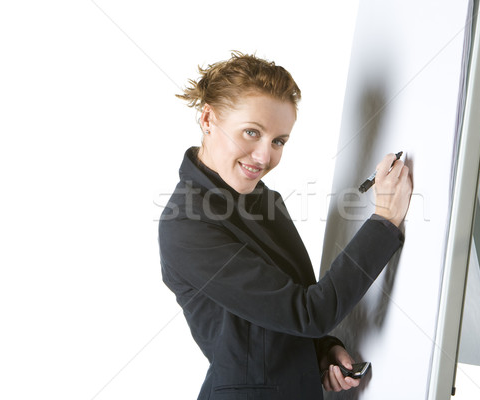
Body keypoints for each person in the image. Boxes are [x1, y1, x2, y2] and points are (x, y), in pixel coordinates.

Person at [159, 51, 412, 400]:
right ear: (207, 119)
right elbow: (307, 312)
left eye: (278, 141)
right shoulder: (186, 226)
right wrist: (384, 221)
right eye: (251, 132)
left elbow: (276, 312)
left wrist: (321, 352)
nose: (264, 157)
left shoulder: (261, 198)